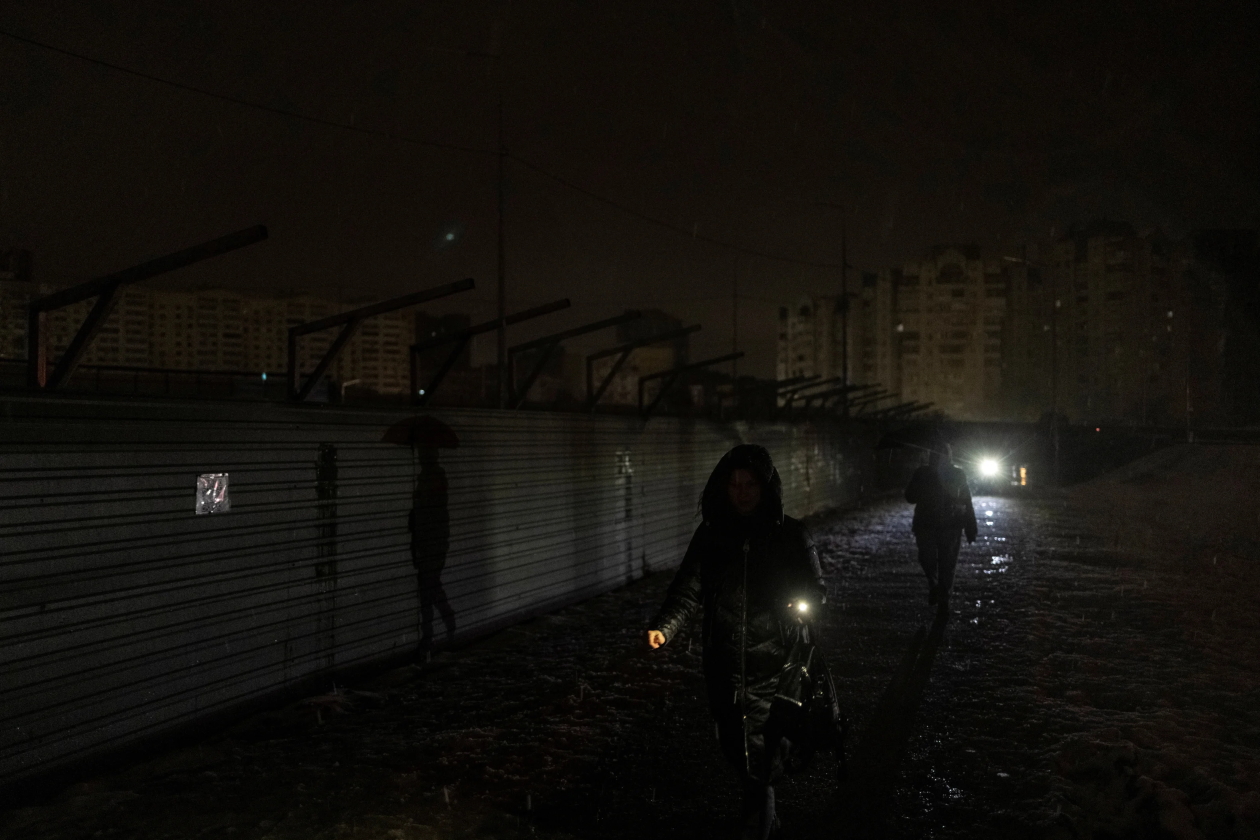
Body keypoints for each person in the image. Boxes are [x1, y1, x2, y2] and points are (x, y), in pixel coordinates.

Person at [647, 444, 825, 840]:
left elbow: (815, 589)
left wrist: (801, 608)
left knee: (760, 757)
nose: (742, 493)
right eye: (734, 485)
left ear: (765, 487)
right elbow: (688, 587)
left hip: (775, 666)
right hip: (724, 667)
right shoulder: (712, 535)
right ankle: (763, 810)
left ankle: (758, 820)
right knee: (737, 748)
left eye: (750, 485)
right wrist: (666, 626)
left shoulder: (790, 535)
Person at [904, 443, 977, 618]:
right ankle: (937, 588)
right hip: (932, 524)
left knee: (943, 562)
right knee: (933, 560)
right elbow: (910, 496)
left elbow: (966, 499)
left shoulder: (955, 473)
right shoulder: (924, 473)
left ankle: (942, 597)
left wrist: (970, 524)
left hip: (945, 525)